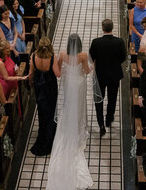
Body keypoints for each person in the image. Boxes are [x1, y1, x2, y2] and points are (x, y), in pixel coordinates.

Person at [46, 34, 93, 190]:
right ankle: (79, 129)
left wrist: (67, 72)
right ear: (79, 44)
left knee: (68, 104)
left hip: (68, 83)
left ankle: (68, 126)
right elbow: (86, 71)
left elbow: (59, 68)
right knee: (79, 106)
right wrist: (92, 67)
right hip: (79, 83)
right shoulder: (83, 55)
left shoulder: (62, 54)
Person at [88, 19, 127, 136]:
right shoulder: (119, 41)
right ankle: (109, 119)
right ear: (112, 28)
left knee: (99, 99)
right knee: (112, 98)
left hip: (100, 75)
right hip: (114, 74)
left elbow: (91, 57)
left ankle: (101, 125)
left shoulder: (96, 42)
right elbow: (123, 57)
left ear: (102, 28)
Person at [27, 37, 61, 155]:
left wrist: (31, 83)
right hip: (50, 86)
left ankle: (42, 132)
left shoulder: (33, 56)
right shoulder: (52, 57)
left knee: (41, 111)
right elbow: (57, 74)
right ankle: (50, 137)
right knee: (51, 111)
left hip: (39, 86)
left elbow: (31, 73)